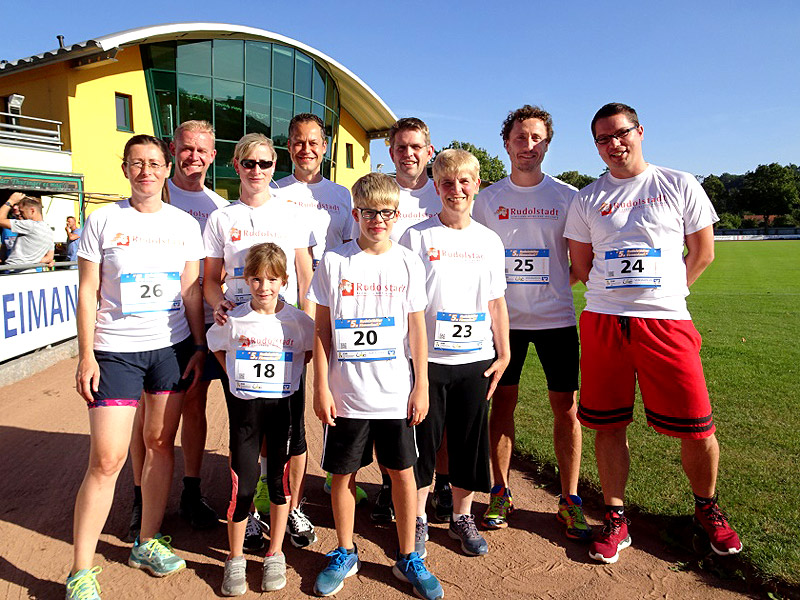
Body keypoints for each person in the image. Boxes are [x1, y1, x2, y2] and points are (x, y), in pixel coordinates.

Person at [564, 102, 742, 564]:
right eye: (603, 139)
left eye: (621, 134)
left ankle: (707, 507)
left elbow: (702, 253)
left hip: (667, 322)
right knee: (607, 424)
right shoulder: (587, 198)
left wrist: (663, 294)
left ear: (640, 131)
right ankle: (616, 517)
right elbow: (581, 266)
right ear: (596, 146)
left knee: (697, 425)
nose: (613, 144)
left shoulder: (679, 183)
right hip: (604, 321)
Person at [65, 135, 206, 600]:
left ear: (167, 169)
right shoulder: (103, 219)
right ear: (124, 169)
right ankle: (80, 572)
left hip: (171, 349)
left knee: (161, 443)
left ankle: (147, 541)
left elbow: (189, 291)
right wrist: (86, 354)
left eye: (153, 163)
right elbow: (87, 293)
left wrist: (200, 347)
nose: (145, 170)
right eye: (136, 163)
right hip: (115, 352)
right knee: (107, 460)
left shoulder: (185, 224)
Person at [307, 172, 443, 600]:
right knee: (342, 474)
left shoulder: (407, 261)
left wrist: (421, 385)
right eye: (369, 212)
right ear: (355, 213)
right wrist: (321, 388)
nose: (378, 219)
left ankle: (408, 557)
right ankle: (346, 550)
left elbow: (417, 329)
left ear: (396, 214)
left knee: (402, 475)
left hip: (394, 393)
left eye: (386, 212)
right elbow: (322, 330)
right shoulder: (334, 261)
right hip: (347, 394)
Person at [473, 105, 589, 539]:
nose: (528, 145)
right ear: (506, 143)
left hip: (557, 320)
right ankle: (500, 492)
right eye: (520, 137)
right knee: (502, 404)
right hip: (505, 325)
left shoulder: (567, 196)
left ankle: (570, 498)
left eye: (536, 137)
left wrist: (554, 282)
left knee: (567, 409)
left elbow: (580, 263)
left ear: (548, 142)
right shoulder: (488, 199)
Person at [204, 132, 317, 549]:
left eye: (265, 164)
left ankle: (291, 508)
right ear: (236, 166)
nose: (256, 171)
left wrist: (305, 330)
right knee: (246, 429)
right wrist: (218, 305)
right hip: (242, 334)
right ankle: (248, 513)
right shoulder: (221, 218)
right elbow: (210, 280)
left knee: (289, 432)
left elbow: (306, 279)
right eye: (249, 163)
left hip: (284, 335)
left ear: (275, 167)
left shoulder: (291, 214)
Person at [400, 149, 510, 557]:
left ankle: (461, 516)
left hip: (475, 360)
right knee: (423, 443)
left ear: (476, 184)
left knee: (468, 441)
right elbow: (409, 304)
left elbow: (496, 302)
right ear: (436, 187)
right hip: (428, 361)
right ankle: (419, 518)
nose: (456, 190)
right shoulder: (417, 236)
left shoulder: (489, 240)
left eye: (464, 181)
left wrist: (504, 354)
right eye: (447, 183)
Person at [126, 120, 228, 541]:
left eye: (202, 150)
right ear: (173, 151)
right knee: (143, 412)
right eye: (187, 149)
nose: (194, 157)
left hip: (202, 325)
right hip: (152, 326)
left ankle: (190, 490)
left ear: (213, 156)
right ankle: (139, 496)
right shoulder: (153, 189)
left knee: (194, 406)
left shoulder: (218, 205)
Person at [207, 243, 314, 595]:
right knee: (244, 485)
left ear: (284, 280)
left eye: (271, 279)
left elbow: (311, 352)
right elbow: (215, 345)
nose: (263, 287)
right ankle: (235, 559)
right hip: (245, 417)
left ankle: (275, 554)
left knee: (280, 486)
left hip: (281, 413)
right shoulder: (233, 318)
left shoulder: (298, 322)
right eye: (255, 279)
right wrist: (233, 376)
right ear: (246, 280)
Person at [375, 117, 450, 524]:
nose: (409, 153)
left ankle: (438, 483)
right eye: (401, 147)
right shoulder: (382, 193)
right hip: (387, 322)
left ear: (429, 150)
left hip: (436, 325)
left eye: (416, 146)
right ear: (391, 152)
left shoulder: (442, 193)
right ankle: (391, 485)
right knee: (392, 413)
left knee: (434, 413)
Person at [0, 193, 54, 267]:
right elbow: (49, 257)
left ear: (32, 210)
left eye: (22, 212)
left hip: (14, 270)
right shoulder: (48, 230)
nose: (21, 215)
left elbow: (0, 220)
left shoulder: (30, 225)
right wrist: (31, 261)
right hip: (30, 270)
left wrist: (10, 201)